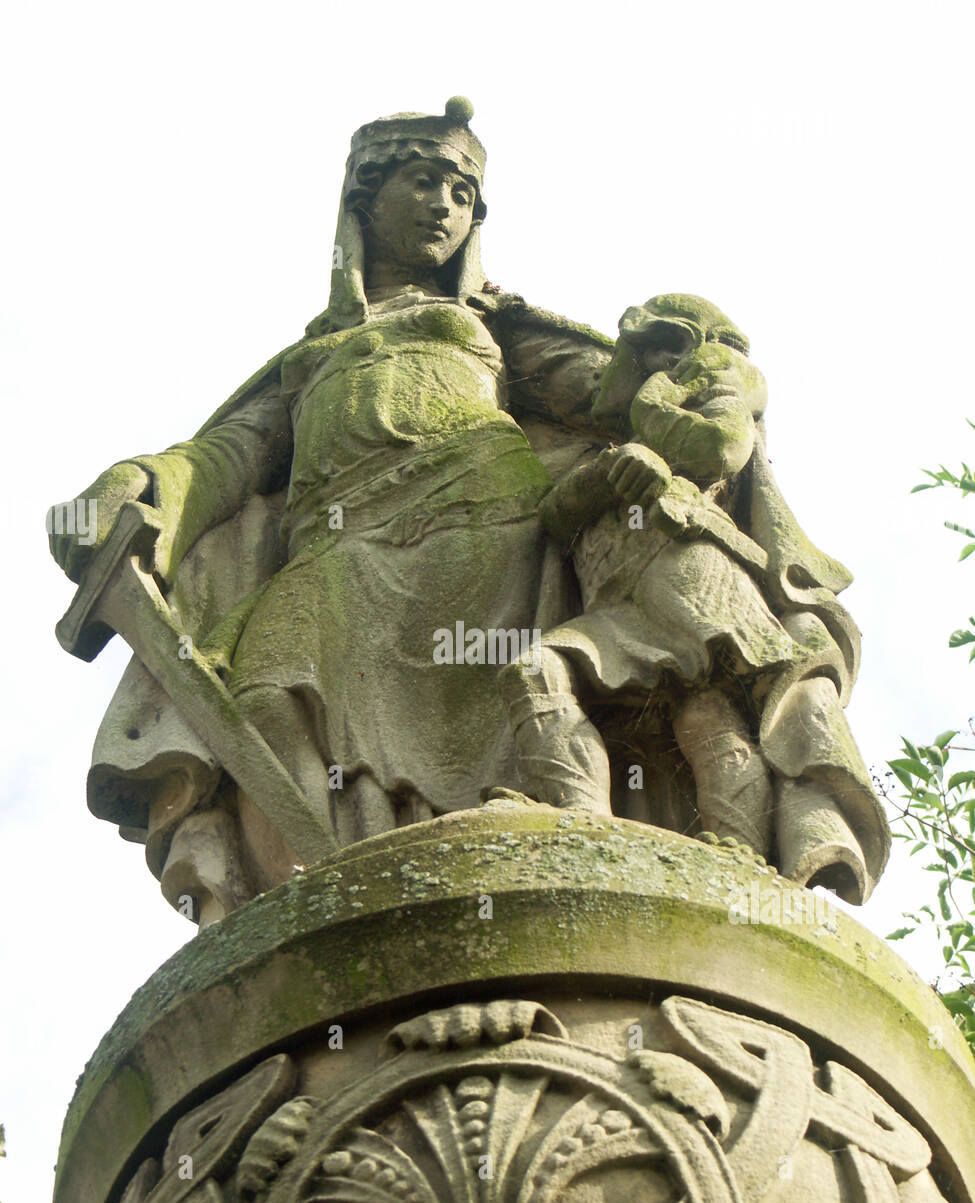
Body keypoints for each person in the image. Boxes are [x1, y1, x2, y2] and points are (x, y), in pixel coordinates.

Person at [49, 99, 614, 923]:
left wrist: (690, 378)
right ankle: (321, 891)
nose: (443, 207)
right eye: (425, 182)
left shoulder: (490, 323)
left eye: (462, 194)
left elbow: (604, 394)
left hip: (481, 516)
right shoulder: (314, 353)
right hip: (337, 540)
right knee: (266, 693)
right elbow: (230, 456)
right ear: (364, 199)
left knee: (490, 693)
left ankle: (517, 858)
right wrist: (140, 482)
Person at [498, 295, 889, 903]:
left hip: (694, 567)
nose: (653, 359)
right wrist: (610, 472)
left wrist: (653, 414)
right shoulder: (607, 444)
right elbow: (557, 513)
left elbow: (720, 450)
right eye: (644, 348)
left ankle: (744, 864)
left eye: (668, 344)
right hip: (621, 596)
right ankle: (582, 822)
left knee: (704, 707)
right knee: (538, 670)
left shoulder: (722, 382)